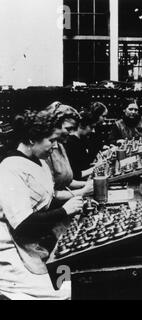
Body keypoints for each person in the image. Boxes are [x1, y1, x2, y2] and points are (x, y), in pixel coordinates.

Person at [0, 110, 83, 300]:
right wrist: (64, 210)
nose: (55, 146)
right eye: (51, 140)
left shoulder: (40, 163)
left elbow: (46, 200)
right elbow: (23, 224)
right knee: (65, 293)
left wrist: (75, 204)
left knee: (71, 277)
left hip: (36, 241)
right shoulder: (10, 168)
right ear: (31, 139)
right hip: (13, 249)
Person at [45, 102, 93, 201]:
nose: (71, 133)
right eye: (68, 129)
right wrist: (82, 192)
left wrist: (87, 184)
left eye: (73, 129)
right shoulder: (45, 151)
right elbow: (50, 194)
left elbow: (66, 181)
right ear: (54, 125)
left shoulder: (60, 146)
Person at [64, 111, 99, 180]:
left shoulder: (82, 140)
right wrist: (94, 168)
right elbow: (75, 174)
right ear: (82, 125)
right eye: (91, 127)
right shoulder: (71, 143)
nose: (93, 131)